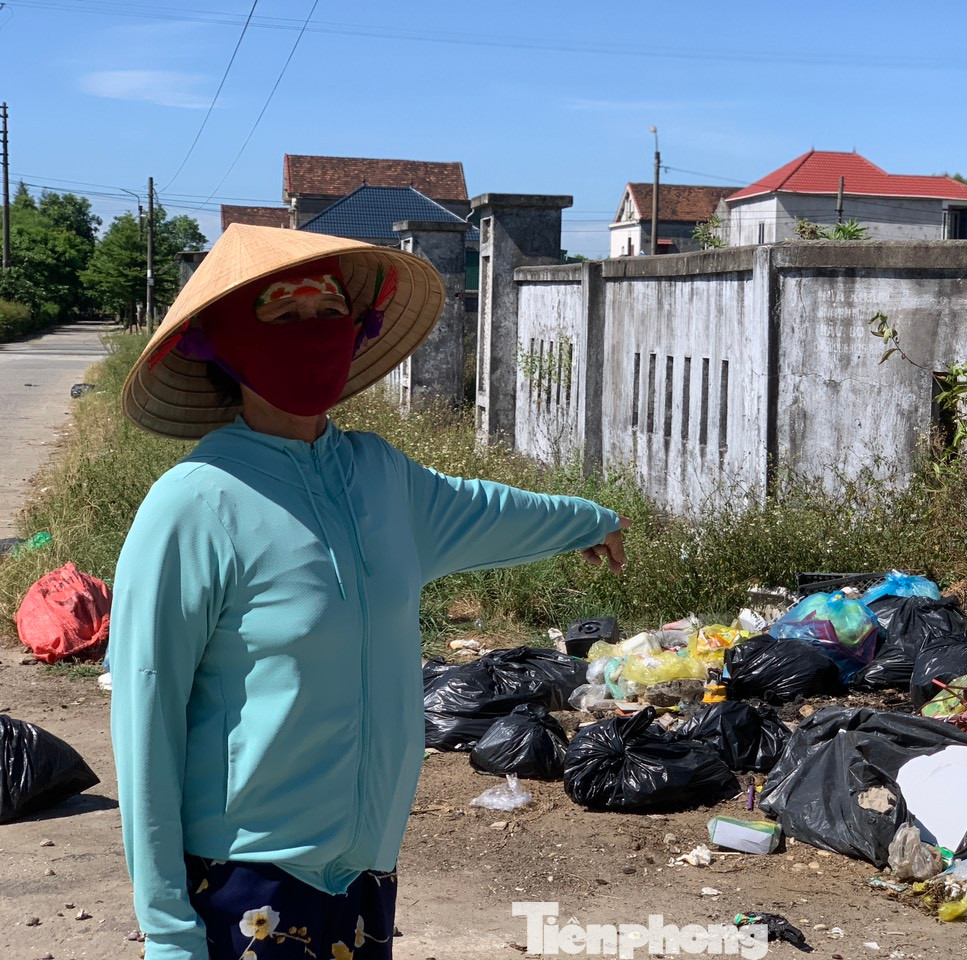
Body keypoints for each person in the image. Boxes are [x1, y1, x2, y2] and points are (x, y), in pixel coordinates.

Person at [110, 225, 628, 960]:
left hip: (364, 871)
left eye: (327, 314)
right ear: (223, 346)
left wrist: (590, 519)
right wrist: (166, 929)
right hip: (244, 877)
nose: (311, 333)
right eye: (282, 318)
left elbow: (482, 508)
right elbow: (146, 715)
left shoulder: (380, 477)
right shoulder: (194, 506)